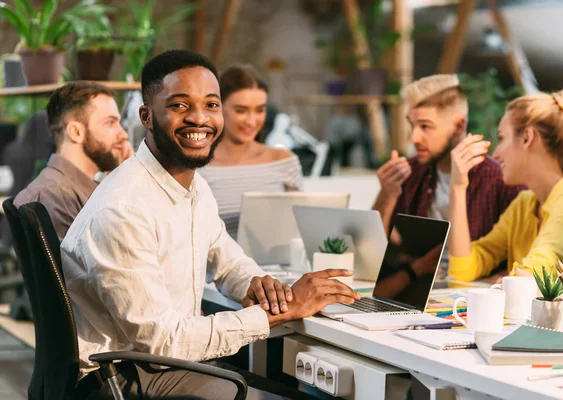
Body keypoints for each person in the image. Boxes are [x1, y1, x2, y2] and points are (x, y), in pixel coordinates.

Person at [61, 50, 360, 399]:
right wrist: (281, 313)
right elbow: (163, 342)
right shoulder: (123, 209)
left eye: (212, 105)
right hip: (126, 377)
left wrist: (258, 284)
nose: (200, 118)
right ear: (147, 115)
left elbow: (227, 258)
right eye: (179, 106)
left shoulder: (192, 184)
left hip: (159, 365)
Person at [372, 74, 522, 278]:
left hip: (471, 295)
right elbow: (376, 251)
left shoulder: (500, 179)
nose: (414, 137)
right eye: (412, 125)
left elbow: (519, 264)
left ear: (459, 126)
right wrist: (387, 194)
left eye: (425, 126)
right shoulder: (411, 172)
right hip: (417, 289)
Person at [448, 90, 563, 282]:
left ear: (527, 138)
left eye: (502, 138)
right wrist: (457, 188)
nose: (495, 155)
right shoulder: (524, 204)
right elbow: (462, 272)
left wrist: (495, 281)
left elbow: (526, 281)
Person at [14, 82, 132, 241]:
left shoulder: (80, 191)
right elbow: (111, 259)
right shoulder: (54, 197)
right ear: (76, 132)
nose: (123, 134)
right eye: (110, 123)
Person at [199, 65, 302, 239]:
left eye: (260, 110)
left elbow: (297, 231)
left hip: (277, 265)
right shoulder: (197, 165)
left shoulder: (284, 161)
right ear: (217, 107)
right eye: (241, 110)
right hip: (216, 265)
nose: (252, 121)